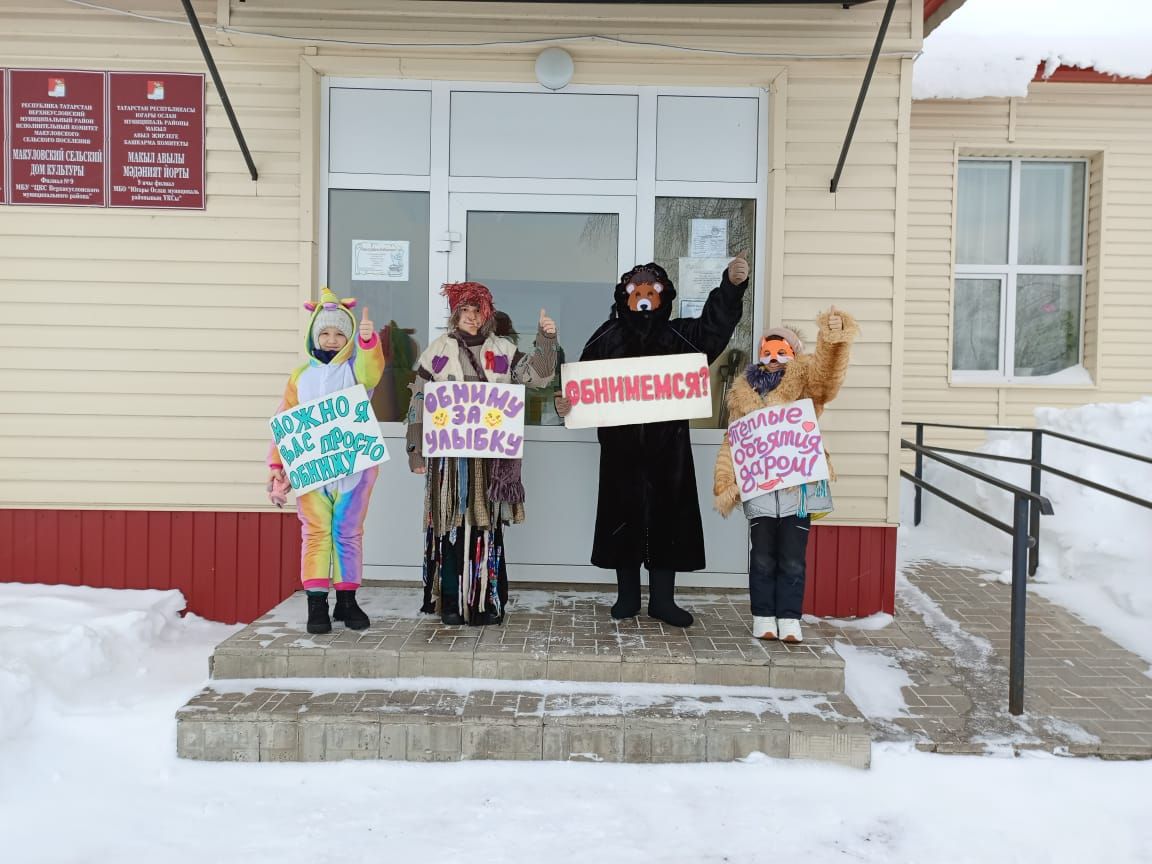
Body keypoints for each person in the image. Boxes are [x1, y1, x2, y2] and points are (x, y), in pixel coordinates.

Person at [560, 255, 750, 627]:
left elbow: (715, 329)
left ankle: (663, 600)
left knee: (668, 522)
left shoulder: (678, 334)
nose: (645, 298)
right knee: (623, 520)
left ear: (663, 298)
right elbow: (579, 381)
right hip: (621, 451)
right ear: (624, 298)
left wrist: (730, 287)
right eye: (638, 293)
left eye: (652, 292)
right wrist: (565, 401)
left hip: (669, 452)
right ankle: (627, 597)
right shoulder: (607, 334)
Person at [405, 283, 558, 625]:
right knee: (451, 525)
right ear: (456, 314)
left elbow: (540, 377)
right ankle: (451, 602)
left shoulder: (502, 350)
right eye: (466, 311)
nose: (472, 318)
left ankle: (485, 603)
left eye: (478, 312)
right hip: (449, 461)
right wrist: (416, 450)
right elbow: (418, 401)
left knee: (485, 528)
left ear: (486, 315)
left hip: (490, 459)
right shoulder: (437, 352)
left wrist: (546, 340)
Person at [713, 307, 859, 644]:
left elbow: (827, 378)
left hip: (798, 489)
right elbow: (734, 438)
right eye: (768, 351)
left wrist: (832, 339)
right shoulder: (743, 393)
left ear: (794, 354)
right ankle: (763, 616)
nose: (774, 358)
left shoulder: (806, 383)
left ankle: (790, 618)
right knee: (762, 557)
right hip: (760, 490)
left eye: (782, 351)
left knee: (793, 557)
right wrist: (725, 478)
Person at [267, 288, 386, 635]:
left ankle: (347, 600)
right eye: (325, 332)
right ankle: (316, 602)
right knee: (316, 533)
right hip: (311, 471)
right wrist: (278, 466)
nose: (332, 340)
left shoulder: (355, 371)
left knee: (348, 533)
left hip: (353, 468)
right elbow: (285, 419)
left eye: (339, 333)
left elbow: (372, 370)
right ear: (313, 335)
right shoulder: (300, 376)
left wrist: (367, 343)